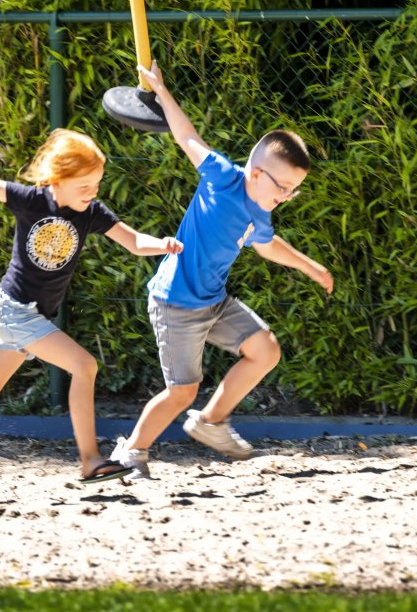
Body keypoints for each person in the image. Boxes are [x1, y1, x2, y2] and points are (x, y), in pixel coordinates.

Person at [0, 118, 181, 498]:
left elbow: (131, 241)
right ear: (57, 180)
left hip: (30, 317)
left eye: (96, 184)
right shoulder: (32, 201)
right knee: (84, 365)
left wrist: (162, 245)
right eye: (84, 186)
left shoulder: (90, 212)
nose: (92, 192)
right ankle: (90, 459)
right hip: (16, 310)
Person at [108, 61, 332, 476]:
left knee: (265, 349)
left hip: (213, 301)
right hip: (175, 302)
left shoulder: (261, 212)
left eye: (292, 192)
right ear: (256, 172)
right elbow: (187, 136)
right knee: (181, 391)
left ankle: (211, 422)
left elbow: (268, 247)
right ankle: (132, 452)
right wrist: (161, 91)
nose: (286, 197)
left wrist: (311, 267)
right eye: (282, 188)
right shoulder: (222, 178)